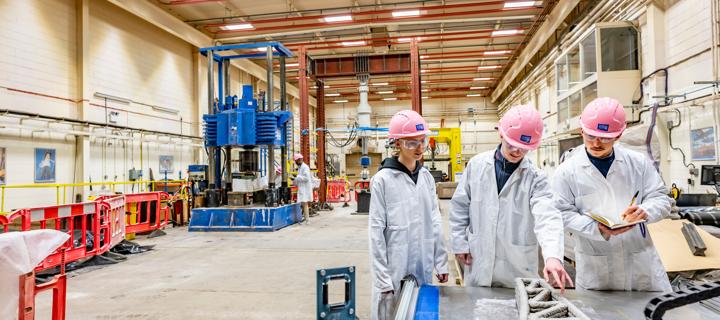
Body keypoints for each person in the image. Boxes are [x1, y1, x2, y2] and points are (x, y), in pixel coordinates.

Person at [552, 97, 672, 292]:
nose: (597, 143)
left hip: (641, 264)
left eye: (605, 137)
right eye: (590, 136)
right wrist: (595, 228)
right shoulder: (567, 172)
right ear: (581, 130)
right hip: (596, 269)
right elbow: (560, 212)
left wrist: (644, 211)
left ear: (619, 135)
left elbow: (660, 198)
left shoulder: (638, 163)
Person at [450, 104, 572, 291]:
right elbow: (460, 207)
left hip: (517, 267)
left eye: (524, 149)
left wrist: (553, 257)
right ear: (501, 134)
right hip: (479, 261)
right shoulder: (476, 165)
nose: (517, 152)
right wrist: (459, 242)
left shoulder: (536, 178)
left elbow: (547, 217)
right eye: (512, 145)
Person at [369, 110, 448, 320]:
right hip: (394, 267)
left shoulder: (426, 178)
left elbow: (435, 222)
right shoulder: (383, 180)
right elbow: (376, 233)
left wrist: (441, 261)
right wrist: (383, 279)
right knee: (391, 313)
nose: (420, 148)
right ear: (397, 144)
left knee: (420, 311)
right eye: (412, 143)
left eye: (423, 141)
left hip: (422, 263)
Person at [293, 154, 313, 224]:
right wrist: (295, 180)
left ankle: (307, 220)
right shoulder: (300, 167)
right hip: (302, 188)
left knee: (305, 204)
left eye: (296, 161)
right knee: (303, 204)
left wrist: (297, 177)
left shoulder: (305, 167)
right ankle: (305, 218)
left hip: (305, 189)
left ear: (299, 160)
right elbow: (300, 177)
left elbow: (306, 178)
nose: (295, 162)